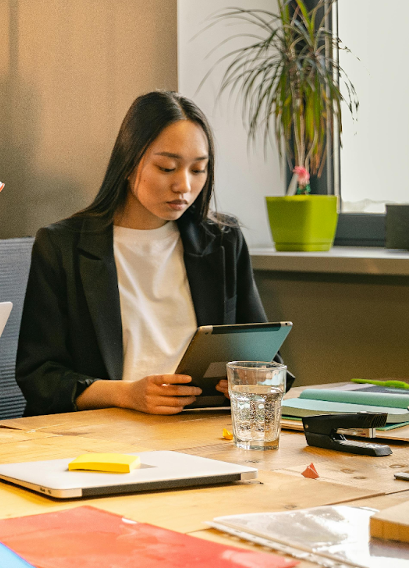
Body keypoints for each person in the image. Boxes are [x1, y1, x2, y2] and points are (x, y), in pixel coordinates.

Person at [16, 90, 285, 416]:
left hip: (202, 426)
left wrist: (252, 379)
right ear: (129, 164)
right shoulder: (62, 246)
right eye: (167, 168)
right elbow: (39, 376)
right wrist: (126, 394)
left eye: (198, 170)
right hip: (102, 432)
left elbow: (266, 359)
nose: (184, 185)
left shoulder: (223, 243)